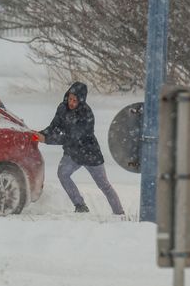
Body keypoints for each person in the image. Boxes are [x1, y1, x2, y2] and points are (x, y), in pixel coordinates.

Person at [34, 82, 125, 215]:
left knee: (104, 185)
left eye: (75, 100)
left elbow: (71, 137)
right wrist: (40, 134)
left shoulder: (86, 114)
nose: (71, 102)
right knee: (63, 174)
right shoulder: (62, 108)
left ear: (81, 100)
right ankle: (80, 205)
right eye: (70, 99)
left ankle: (119, 213)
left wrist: (46, 140)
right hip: (73, 154)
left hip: (90, 154)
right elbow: (54, 126)